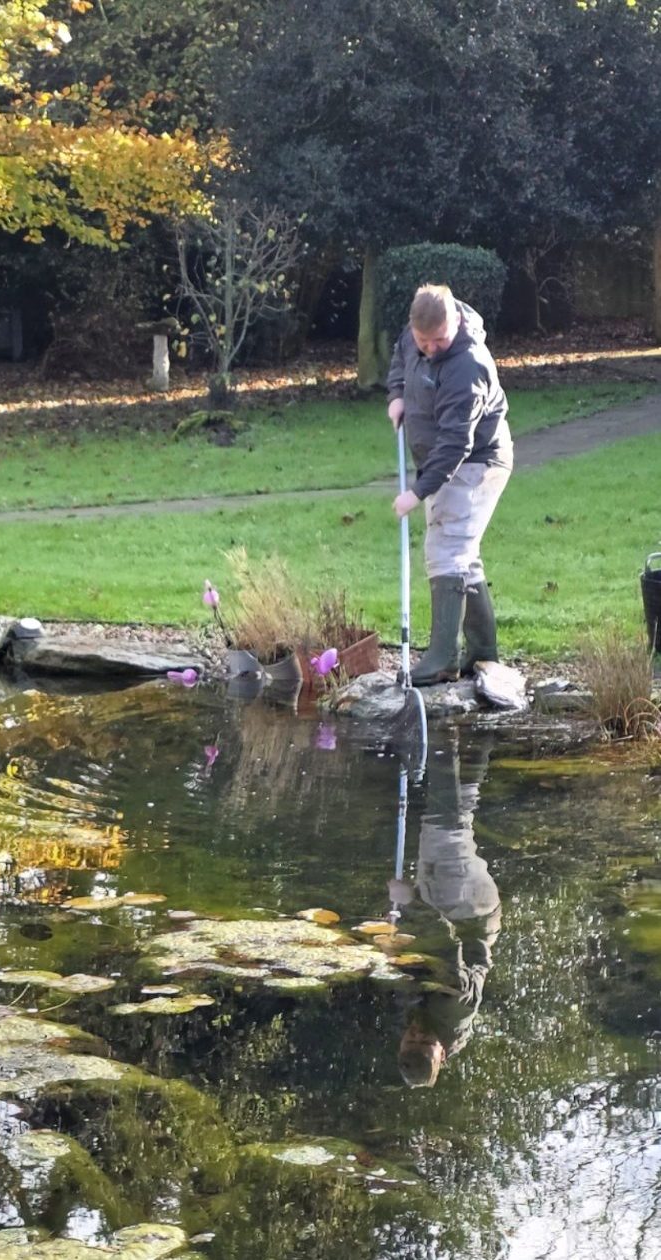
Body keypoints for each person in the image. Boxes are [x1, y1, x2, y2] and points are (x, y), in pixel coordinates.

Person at [387, 284, 514, 685]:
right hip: (444, 463)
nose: (430, 348)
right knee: (462, 553)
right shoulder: (416, 335)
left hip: (476, 462)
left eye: (439, 339)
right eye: (424, 340)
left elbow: (456, 442)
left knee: (446, 549)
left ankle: (442, 658)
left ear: (456, 321)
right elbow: (401, 355)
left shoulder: (468, 364)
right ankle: (482, 652)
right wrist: (396, 394)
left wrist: (417, 492)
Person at [388, 730, 501, 1087]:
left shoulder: (429, 1021)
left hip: (472, 908)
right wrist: (410, 902)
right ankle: (443, 731)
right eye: (425, 1044)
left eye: (411, 1042)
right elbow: (445, 944)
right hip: (462, 907)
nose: (418, 1035)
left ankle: (484, 729)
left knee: (459, 818)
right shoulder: (450, 1012)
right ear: (443, 1055)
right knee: (443, 825)